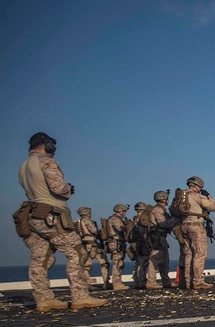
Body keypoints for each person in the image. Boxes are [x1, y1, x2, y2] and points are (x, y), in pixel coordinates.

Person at [18, 132, 106, 311]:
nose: (54, 152)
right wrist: (68, 189)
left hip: (32, 216)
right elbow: (58, 188)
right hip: (51, 215)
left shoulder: (24, 166)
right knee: (77, 252)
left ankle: (44, 299)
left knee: (41, 258)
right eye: (53, 148)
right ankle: (80, 296)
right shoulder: (46, 162)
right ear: (47, 145)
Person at [180, 176, 215, 290]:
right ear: (197, 186)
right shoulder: (196, 195)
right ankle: (198, 281)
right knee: (199, 254)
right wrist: (209, 197)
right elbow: (212, 207)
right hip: (196, 226)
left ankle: (187, 281)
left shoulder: (181, 196)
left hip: (183, 225)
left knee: (188, 254)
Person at [75, 207, 110, 289]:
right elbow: (94, 231)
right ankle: (105, 282)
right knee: (104, 263)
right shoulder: (87, 221)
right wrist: (102, 231)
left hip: (86, 244)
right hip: (92, 245)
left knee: (87, 266)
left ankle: (87, 283)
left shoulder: (78, 222)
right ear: (88, 213)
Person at [146, 191, 173, 289]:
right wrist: (174, 220)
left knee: (165, 260)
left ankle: (166, 281)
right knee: (155, 260)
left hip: (161, 237)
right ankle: (151, 282)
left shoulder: (162, 209)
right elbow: (162, 223)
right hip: (157, 237)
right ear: (163, 199)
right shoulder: (157, 210)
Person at [105, 204, 131, 290]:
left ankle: (117, 282)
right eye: (123, 211)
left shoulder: (113, 219)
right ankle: (116, 283)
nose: (124, 213)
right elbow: (120, 229)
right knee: (118, 263)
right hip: (116, 243)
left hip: (116, 242)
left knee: (119, 262)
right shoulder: (115, 220)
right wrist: (127, 226)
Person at [129, 202, 152, 289]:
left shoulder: (134, 219)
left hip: (136, 243)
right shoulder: (142, 220)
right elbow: (144, 232)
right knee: (143, 263)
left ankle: (137, 280)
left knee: (138, 263)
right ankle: (141, 281)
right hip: (143, 242)